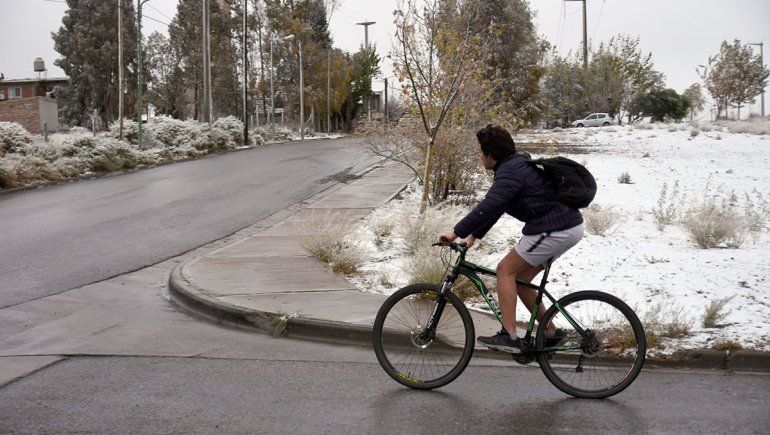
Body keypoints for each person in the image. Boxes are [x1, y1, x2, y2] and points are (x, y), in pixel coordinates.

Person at [437, 124, 584, 353]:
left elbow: (489, 206)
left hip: (555, 228)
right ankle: (551, 332)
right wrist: (473, 236)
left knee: (505, 270)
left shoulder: (509, 173)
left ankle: (510, 336)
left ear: (490, 154)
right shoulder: (514, 166)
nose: (479, 156)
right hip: (564, 226)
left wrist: (455, 232)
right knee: (520, 279)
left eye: (480, 151)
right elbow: (497, 208)